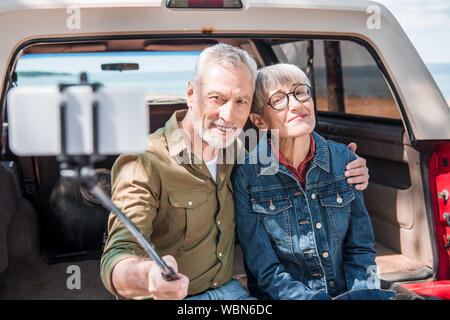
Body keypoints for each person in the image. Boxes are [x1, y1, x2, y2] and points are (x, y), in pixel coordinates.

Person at [100, 44, 370, 300]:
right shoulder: (144, 160)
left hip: (230, 291)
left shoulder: (239, 152)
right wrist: (148, 275)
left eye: (242, 100)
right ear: (191, 94)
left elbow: (297, 155)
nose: (229, 115)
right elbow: (116, 258)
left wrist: (349, 165)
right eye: (217, 98)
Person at [231, 63, 396, 300]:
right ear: (259, 121)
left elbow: (360, 249)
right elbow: (265, 270)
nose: (297, 104)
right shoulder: (247, 175)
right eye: (279, 99)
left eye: (300, 92)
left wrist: (362, 294)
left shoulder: (345, 160)